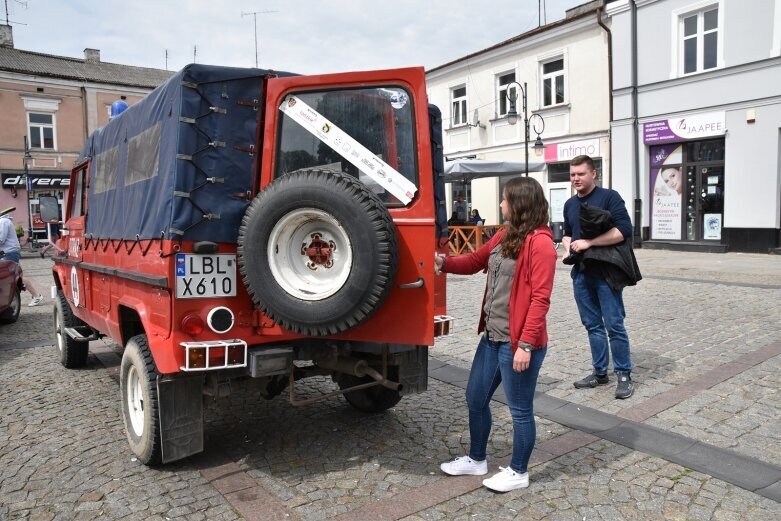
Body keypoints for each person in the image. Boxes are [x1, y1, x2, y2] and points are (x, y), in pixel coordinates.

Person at [436, 177, 557, 492]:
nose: (501, 205)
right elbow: (475, 261)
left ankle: (518, 472)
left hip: (518, 343)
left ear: (519, 204)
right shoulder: (504, 235)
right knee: (475, 398)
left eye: (504, 200)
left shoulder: (541, 243)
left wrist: (526, 345)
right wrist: (443, 263)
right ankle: (477, 460)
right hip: (492, 337)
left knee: (519, 410)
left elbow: (540, 299)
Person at [562, 155, 635, 399]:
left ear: (594, 174)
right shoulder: (570, 204)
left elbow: (624, 230)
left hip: (606, 273)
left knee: (614, 325)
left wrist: (589, 242)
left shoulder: (609, 197)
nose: (576, 178)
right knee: (592, 325)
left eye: (581, 174)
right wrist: (567, 248)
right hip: (581, 274)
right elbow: (567, 233)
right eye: (573, 174)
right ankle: (600, 372)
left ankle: (624, 374)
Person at [0, 207, 45, 307]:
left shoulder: (3, 221)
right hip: (9, 252)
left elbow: (1, 239)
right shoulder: (4, 221)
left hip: (8, 253)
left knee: (12, 276)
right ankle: (36, 295)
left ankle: (35, 296)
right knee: (18, 276)